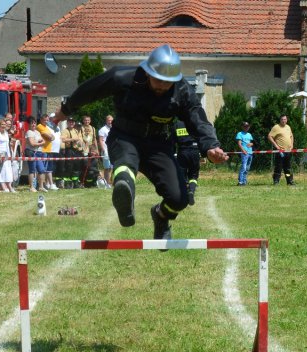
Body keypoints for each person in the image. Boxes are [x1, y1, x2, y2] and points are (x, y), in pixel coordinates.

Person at [54, 44, 228, 240]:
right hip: (125, 137)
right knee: (125, 169)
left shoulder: (182, 91)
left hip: (159, 145)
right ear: (147, 72)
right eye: (158, 80)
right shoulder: (122, 77)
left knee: (180, 199)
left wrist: (211, 146)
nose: (162, 86)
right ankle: (125, 201)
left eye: (167, 82)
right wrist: (65, 110)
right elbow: (90, 90)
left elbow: (198, 119)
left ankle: (160, 217)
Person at [174, 120, 201, 205]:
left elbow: (172, 139)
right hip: (195, 151)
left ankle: (184, 194)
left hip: (182, 151)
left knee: (182, 175)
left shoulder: (177, 123)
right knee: (193, 175)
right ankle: (191, 191)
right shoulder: (195, 122)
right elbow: (202, 137)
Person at [267, 114, 295, 186]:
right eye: (282, 119)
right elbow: (269, 136)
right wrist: (276, 146)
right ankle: (276, 181)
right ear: (280, 120)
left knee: (287, 168)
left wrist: (292, 144)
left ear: (287, 120)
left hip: (288, 151)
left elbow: (291, 136)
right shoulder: (276, 127)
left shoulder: (288, 127)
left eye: (285, 119)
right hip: (280, 151)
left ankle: (289, 181)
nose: (283, 121)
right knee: (278, 167)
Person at [24, 116, 47, 192]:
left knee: (41, 170)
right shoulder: (29, 132)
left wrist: (39, 143)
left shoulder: (37, 132)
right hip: (31, 152)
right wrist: (40, 143)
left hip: (39, 153)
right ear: (29, 124)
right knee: (32, 170)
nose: (33, 124)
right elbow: (32, 144)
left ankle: (41, 186)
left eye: (34, 123)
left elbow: (43, 141)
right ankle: (32, 187)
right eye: (31, 123)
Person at [60, 116, 84, 188]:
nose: (71, 123)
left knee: (76, 167)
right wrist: (72, 139)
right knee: (69, 167)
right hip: (69, 150)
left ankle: (75, 183)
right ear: (67, 122)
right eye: (70, 122)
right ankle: (67, 183)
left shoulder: (76, 130)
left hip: (76, 150)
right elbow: (63, 140)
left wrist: (80, 143)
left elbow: (80, 140)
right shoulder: (65, 131)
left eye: (73, 122)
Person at [37, 114, 58, 191]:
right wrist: (50, 137)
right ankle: (41, 184)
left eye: (47, 120)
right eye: (45, 120)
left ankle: (45, 184)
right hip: (43, 150)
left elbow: (53, 136)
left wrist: (50, 137)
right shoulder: (39, 126)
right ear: (41, 120)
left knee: (45, 169)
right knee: (42, 169)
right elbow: (48, 136)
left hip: (48, 149)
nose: (46, 121)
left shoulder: (46, 127)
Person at [235, 121, 254, 186]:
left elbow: (252, 143)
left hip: (250, 152)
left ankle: (244, 181)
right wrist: (243, 150)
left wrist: (251, 144)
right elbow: (239, 143)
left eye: (247, 126)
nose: (246, 127)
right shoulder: (239, 134)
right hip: (244, 153)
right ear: (242, 127)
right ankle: (240, 181)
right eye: (245, 126)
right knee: (244, 167)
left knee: (248, 168)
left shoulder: (249, 134)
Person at [98, 115, 114, 187]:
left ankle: (111, 182)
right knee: (107, 168)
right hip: (106, 150)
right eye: (109, 120)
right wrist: (103, 150)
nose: (110, 122)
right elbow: (100, 141)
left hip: (113, 150)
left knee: (112, 167)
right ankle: (107, 183)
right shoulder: (102, 129)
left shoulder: (114, 129)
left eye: (111, 120)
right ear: (106, 121)